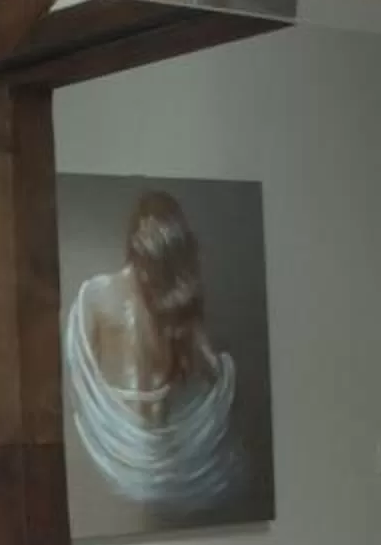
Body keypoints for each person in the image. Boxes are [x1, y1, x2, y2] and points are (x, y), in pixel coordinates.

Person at [66, 188, 249, 514]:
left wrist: (219, 367)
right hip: (116, 443)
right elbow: (80, 375)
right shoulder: (95, 295)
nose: (151, 272)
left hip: (168, 446)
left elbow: (210, 367)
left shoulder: (173, 299)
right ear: (136, 246)